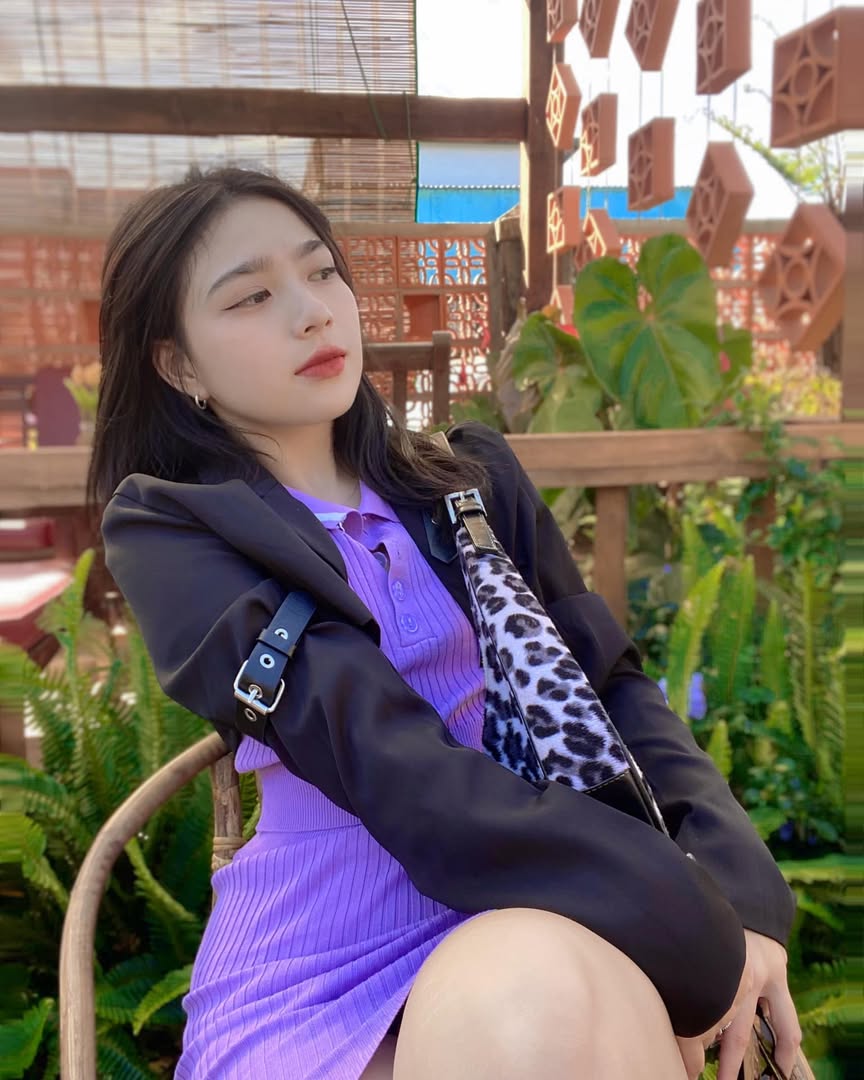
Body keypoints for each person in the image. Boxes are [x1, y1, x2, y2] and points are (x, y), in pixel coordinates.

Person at [91, 166, 801, 1080]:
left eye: (321, 271)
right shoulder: (176, 531)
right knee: (530, 996)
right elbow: (386, 756)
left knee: (544, 985)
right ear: (178, 364)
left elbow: (612, 687)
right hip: (325, 954)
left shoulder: (469, 485)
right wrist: (688, 924)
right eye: (252, 297)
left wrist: (742, 901)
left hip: (552, 902)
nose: (311, 312)